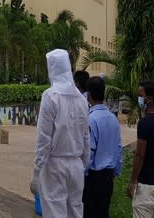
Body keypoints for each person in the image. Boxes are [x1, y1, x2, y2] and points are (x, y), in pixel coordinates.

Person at [30, 49, 90, 218]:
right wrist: (84, 162)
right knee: (75, 210)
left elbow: (44, 138)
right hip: (76, 164)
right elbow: (86, 136)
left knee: (55, 211)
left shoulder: (50, 96)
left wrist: (37, 170)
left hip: (55, 164)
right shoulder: (81, 99)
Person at [82, 76, 122, 218]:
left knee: (89, 212)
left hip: (93, 177)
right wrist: (116, 170)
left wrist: (83, 173)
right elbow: (118, 147)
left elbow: (89, 151)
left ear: (89, 94)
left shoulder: (91, 119)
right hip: (108, 175)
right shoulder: (113, 118)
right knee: (103, 212)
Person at [127, 80, 154, 217]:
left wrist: (132, 181)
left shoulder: (145, 123)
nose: (139, 100)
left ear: (148, 99)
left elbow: (140, 155)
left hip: (147, 184)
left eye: (140, 96)